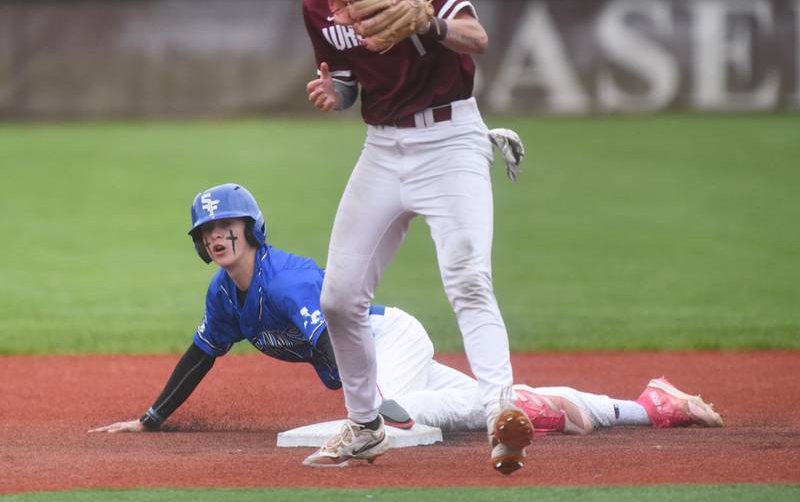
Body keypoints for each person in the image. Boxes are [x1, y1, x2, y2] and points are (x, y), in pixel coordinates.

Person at [87, 183, 724, 447]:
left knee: (404, 426)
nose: (217, 236)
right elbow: (201, 354)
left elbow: (337, 343)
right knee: (497, 403)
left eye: (227, 225)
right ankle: (655, 406)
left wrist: (374, 407)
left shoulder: (284, 282)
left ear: (251, 229)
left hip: (385, 339)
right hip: (380, 351)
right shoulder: (224, 296)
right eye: (207, 231)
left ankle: (415, 409)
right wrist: (151, 419)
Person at [298, 0, 532, 474]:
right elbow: (353, 82)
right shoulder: (318, 5)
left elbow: (476, 38)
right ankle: (364, 424)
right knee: (339, 296)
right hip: (383, 147)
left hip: (451, 138)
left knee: (467, 275)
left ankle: (502, 415)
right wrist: (337, 92)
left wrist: (428, 17)